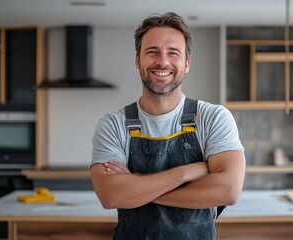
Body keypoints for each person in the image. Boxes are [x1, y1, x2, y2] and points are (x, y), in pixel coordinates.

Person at [90, 12, 246, 240]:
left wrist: (136, 188)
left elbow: (228, 190)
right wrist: (188, 172)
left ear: (187, 63)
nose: (162, 61)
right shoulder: (113, 125)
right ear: (137, 60)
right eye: (152, 52)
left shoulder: (213, 118)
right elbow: (110, 195)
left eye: (173, 53)